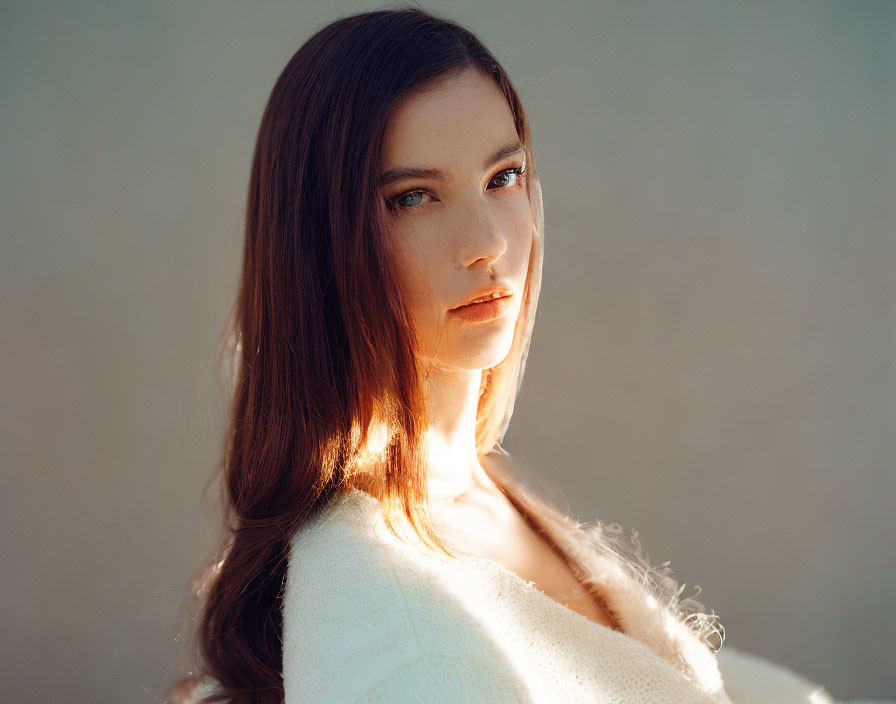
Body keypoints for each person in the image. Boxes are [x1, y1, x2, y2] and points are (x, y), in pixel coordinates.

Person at [166, 6, 843, 704]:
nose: (486, 240)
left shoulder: (477, 490)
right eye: (414, 197)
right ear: (320, 244)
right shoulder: (386, 621)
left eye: (503, 177)